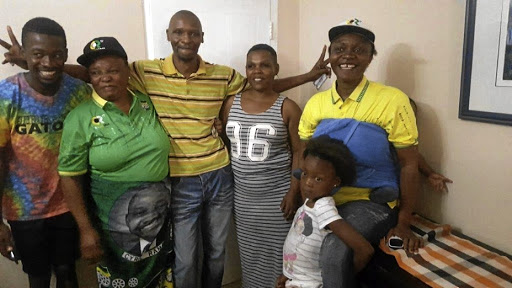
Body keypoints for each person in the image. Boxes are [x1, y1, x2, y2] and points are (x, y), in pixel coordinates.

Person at [1, 10, 329, 288]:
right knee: (186, 256)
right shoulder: (144, 72)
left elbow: (264, 86)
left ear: (201, 37)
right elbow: (96, 73)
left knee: (216, 251)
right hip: (180, 179)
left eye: (192, 33)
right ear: (169, 35)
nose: (185, 38)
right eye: (178, 32)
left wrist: (309, 76)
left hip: (218, 174)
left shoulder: (222, 76)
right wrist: (36, 64)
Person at [298, 18, 423, 287]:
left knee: (333, 251)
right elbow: (303, 156)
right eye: (340, 49)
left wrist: (403, 222)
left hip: (370, 202)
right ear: (330, 56)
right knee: (299, 245)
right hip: (323, 197)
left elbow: (409, 164)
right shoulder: (316, 104)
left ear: (370, 58)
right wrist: (298, 196)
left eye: (358, 50)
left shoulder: (392, 100)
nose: (348, 56)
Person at [57, 37, 173, 287]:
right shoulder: (80, 118)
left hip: (160, 225)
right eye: (96, 72)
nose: (105, 78)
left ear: (127, 71)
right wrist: (86, 231)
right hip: (113, 231)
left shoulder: (147, 102)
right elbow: (69, 178)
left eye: (112, 70)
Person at [0, 17, 91, 288]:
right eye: (38, 54)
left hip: (68, 205)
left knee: (67, 273)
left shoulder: (78, 93)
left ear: (65, 53)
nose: (49, 63)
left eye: (56, 55)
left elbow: (98, 74)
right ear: (25, 54)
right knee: (38, 278)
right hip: (24, 210)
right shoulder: (7, 95)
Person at [219, 44, 302, 287]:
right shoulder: (230, 103)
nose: (258, 71)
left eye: (265, 65)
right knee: (250, 256)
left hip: (277, 200)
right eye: (251, 65)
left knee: (280, 257)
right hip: (243, 199)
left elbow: (299, 152)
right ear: (245, 70)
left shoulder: (288, 107)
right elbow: (226, 142)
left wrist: (293, 191)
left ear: (276, 69)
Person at [276, 135, 374, 288]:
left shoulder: (323, 207)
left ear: (336, 181)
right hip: (296, 279)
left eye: (318, 179)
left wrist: (342, 275)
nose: (308, 182)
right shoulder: (309, 201)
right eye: (305, 174)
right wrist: (288, 275)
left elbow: (364, 250)